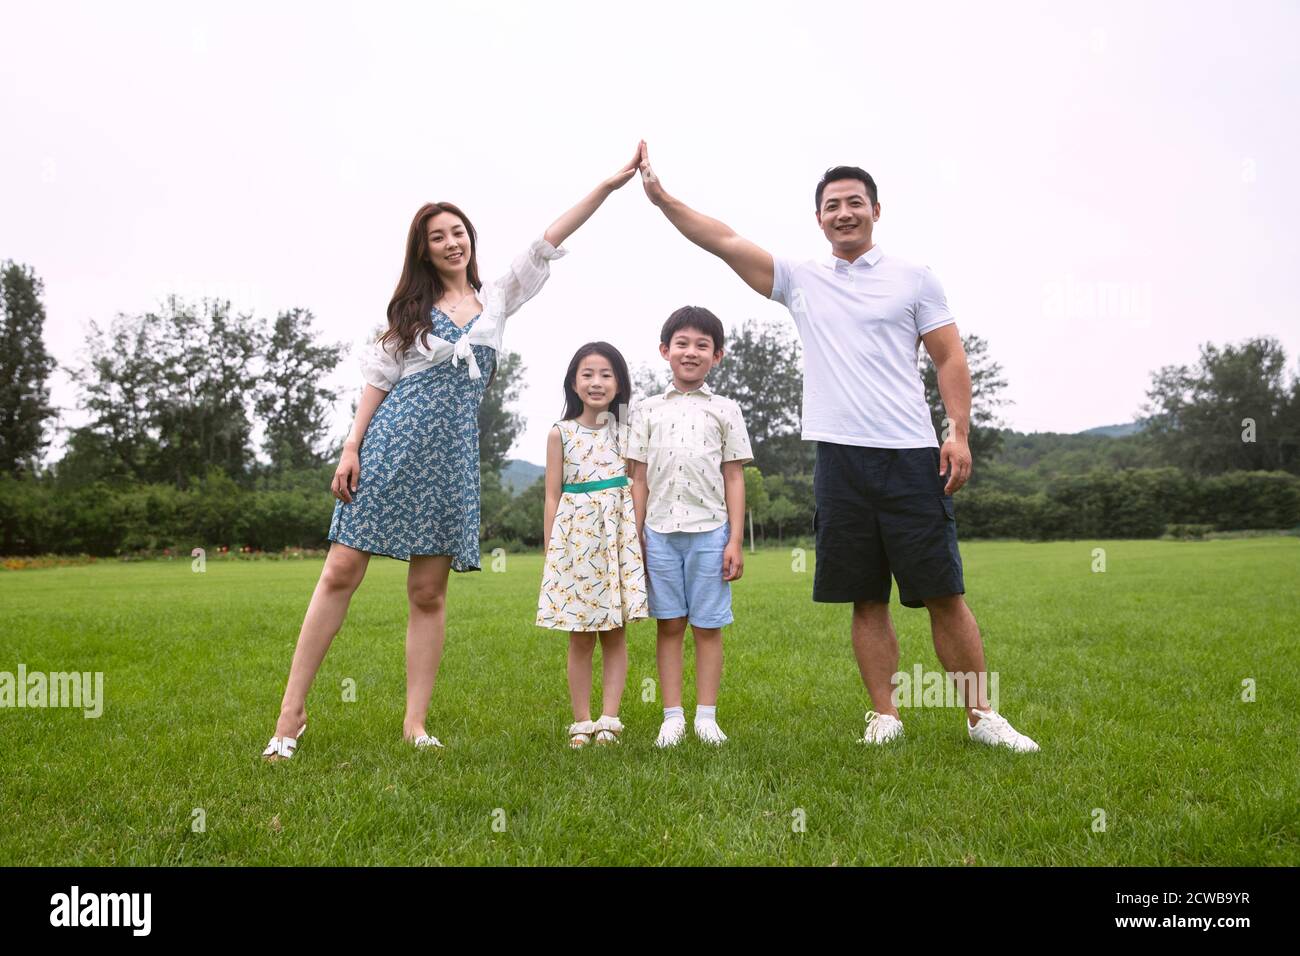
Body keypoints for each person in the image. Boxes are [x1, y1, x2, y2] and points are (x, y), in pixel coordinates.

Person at [636, 144, 1039, 752]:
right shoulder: (801, 279)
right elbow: (723, 240)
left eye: (855, 203)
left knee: (943, 592)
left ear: (876, 209)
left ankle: (982, 716)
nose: (844, 213)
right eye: (832, 206)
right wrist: (664, 200)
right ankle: (886, 715)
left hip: (909, 455)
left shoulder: (915, 277)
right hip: (840, 461)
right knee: (866, 595)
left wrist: (958, 430)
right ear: (819, 219)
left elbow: (950, 355)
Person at [260, 146, 643, 761]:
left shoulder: (497, 300)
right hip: (389, 449)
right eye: (437, 236)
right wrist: (351, 446)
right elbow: (377, 382)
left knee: (428, 593)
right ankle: (291, 712)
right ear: (423, 249)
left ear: (471, 240)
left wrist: (605, 186)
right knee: (339, 572)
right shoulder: (408, 315)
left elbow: (547, 241)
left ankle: (415, 724)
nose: (450, 242)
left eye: (458, 232)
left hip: (452, 464)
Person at [627, 306, 752, 747]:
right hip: (659, 534)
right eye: (682, 343)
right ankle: (672, 716)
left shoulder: (726, 409)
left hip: (711, 532)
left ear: (717, 355)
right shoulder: (644, 410)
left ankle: (706, 716)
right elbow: (638, 478)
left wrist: (735, 539)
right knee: (670, 626)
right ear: (665, 350)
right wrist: (635, 537)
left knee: (708, 626)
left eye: (703, 345)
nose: (691, 352)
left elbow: (734, 475)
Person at [536, 342, 648, 748]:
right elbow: (551, 496)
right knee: (581, 635)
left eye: (605, 374)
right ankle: (581, 722)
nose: (596, 382)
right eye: (587, 374)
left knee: (615, 633)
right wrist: (553, 550)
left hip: (618, 541)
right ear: (573, 382)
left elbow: (638, 485)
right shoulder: (560, 433)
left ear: (618, 384)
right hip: (576, 544)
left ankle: (609, 720)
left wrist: (635, 539)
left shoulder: (628, 434)